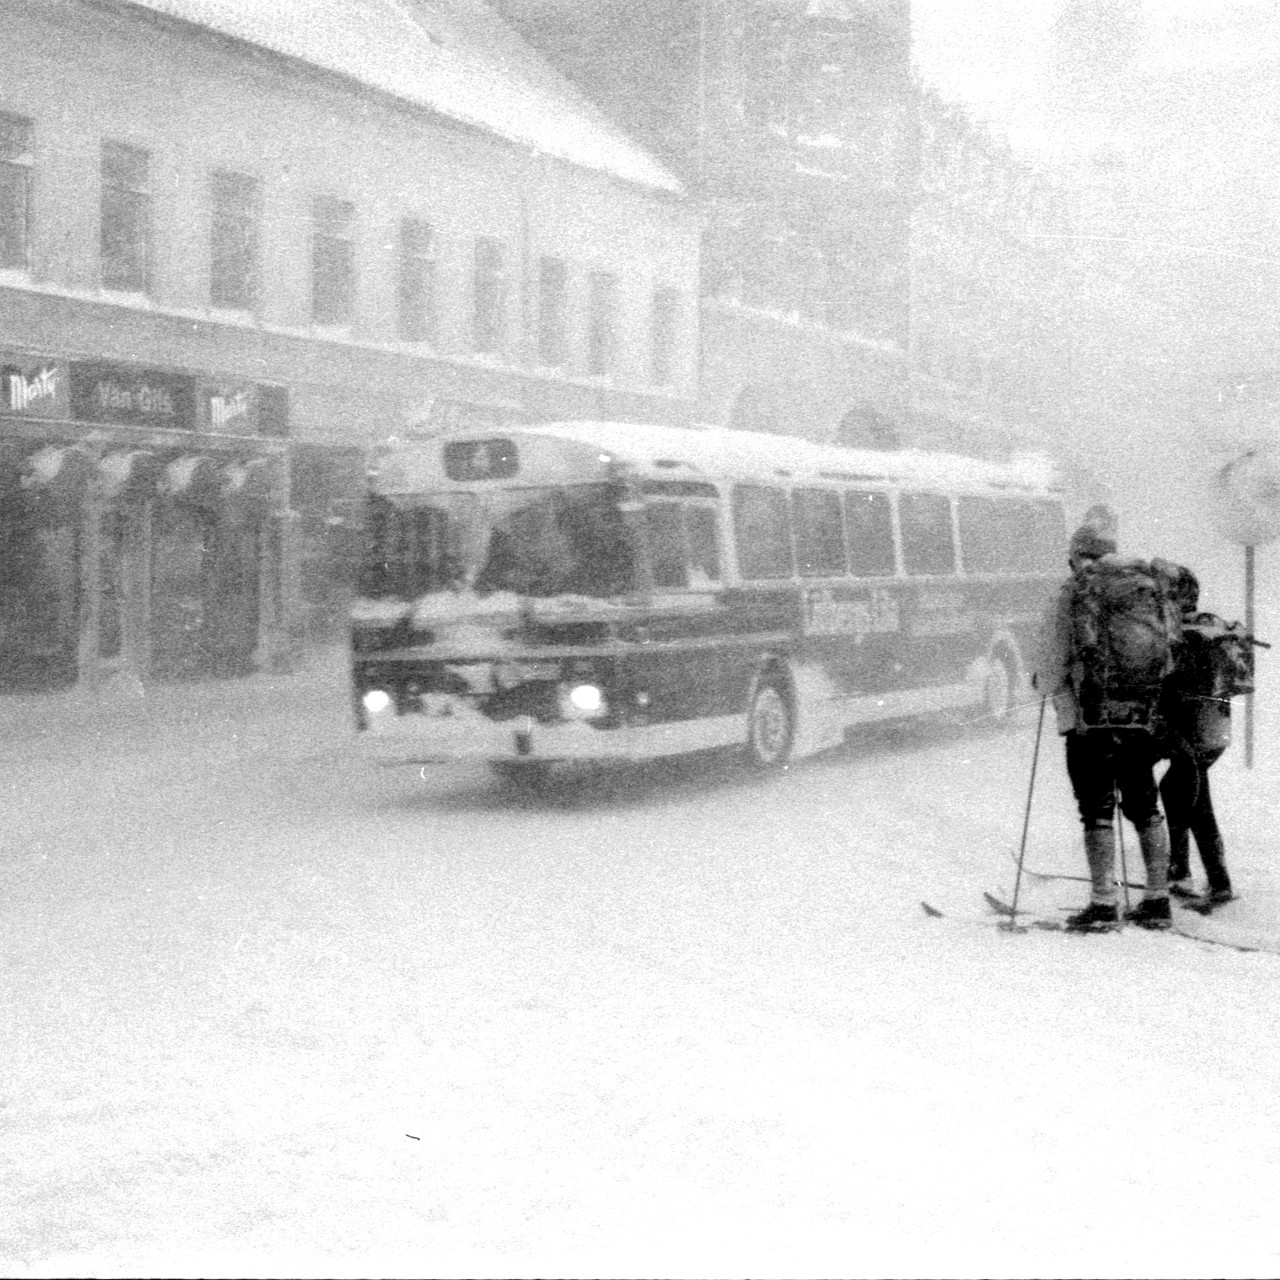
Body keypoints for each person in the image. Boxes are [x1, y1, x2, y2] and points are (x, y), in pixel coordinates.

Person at [1033, 524, 1174, 931]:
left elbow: (1052, 659)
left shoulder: (1074, 592)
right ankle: (1157, 899)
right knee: (1145, 805)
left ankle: (1103, 902)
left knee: (1096, 811)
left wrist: (1047, 685)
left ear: (1075, 555)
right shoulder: (1145, 586)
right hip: (1138, 713)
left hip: (1088, 719)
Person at [1156, 565, 1235, 908]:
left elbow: (1174, 686)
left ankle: (1187, 875)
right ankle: (1207, 877)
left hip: (1193, 732)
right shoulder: (1209, 627)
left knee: (1185, 795)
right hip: (1214, 731)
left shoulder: (1183, 636)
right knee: (1187, 793)